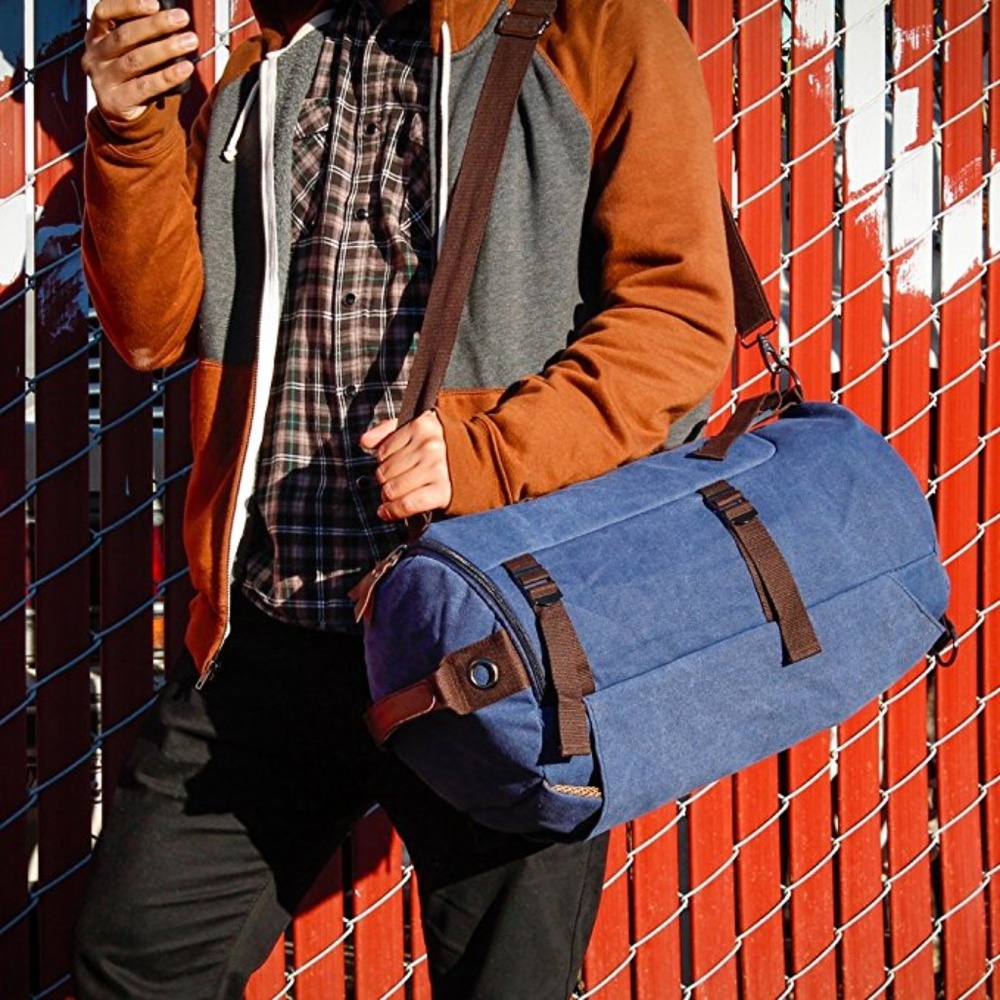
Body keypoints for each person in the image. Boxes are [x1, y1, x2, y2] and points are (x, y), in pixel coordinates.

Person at [73, 0, 734, 996]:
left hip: (496, 640)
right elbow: (150, 330)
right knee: (134, 965)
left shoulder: (598, 29)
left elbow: (678, 317)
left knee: (506, 983)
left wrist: (486, 453)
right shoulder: (270, 57)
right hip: (271, 628)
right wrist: (130, 133)